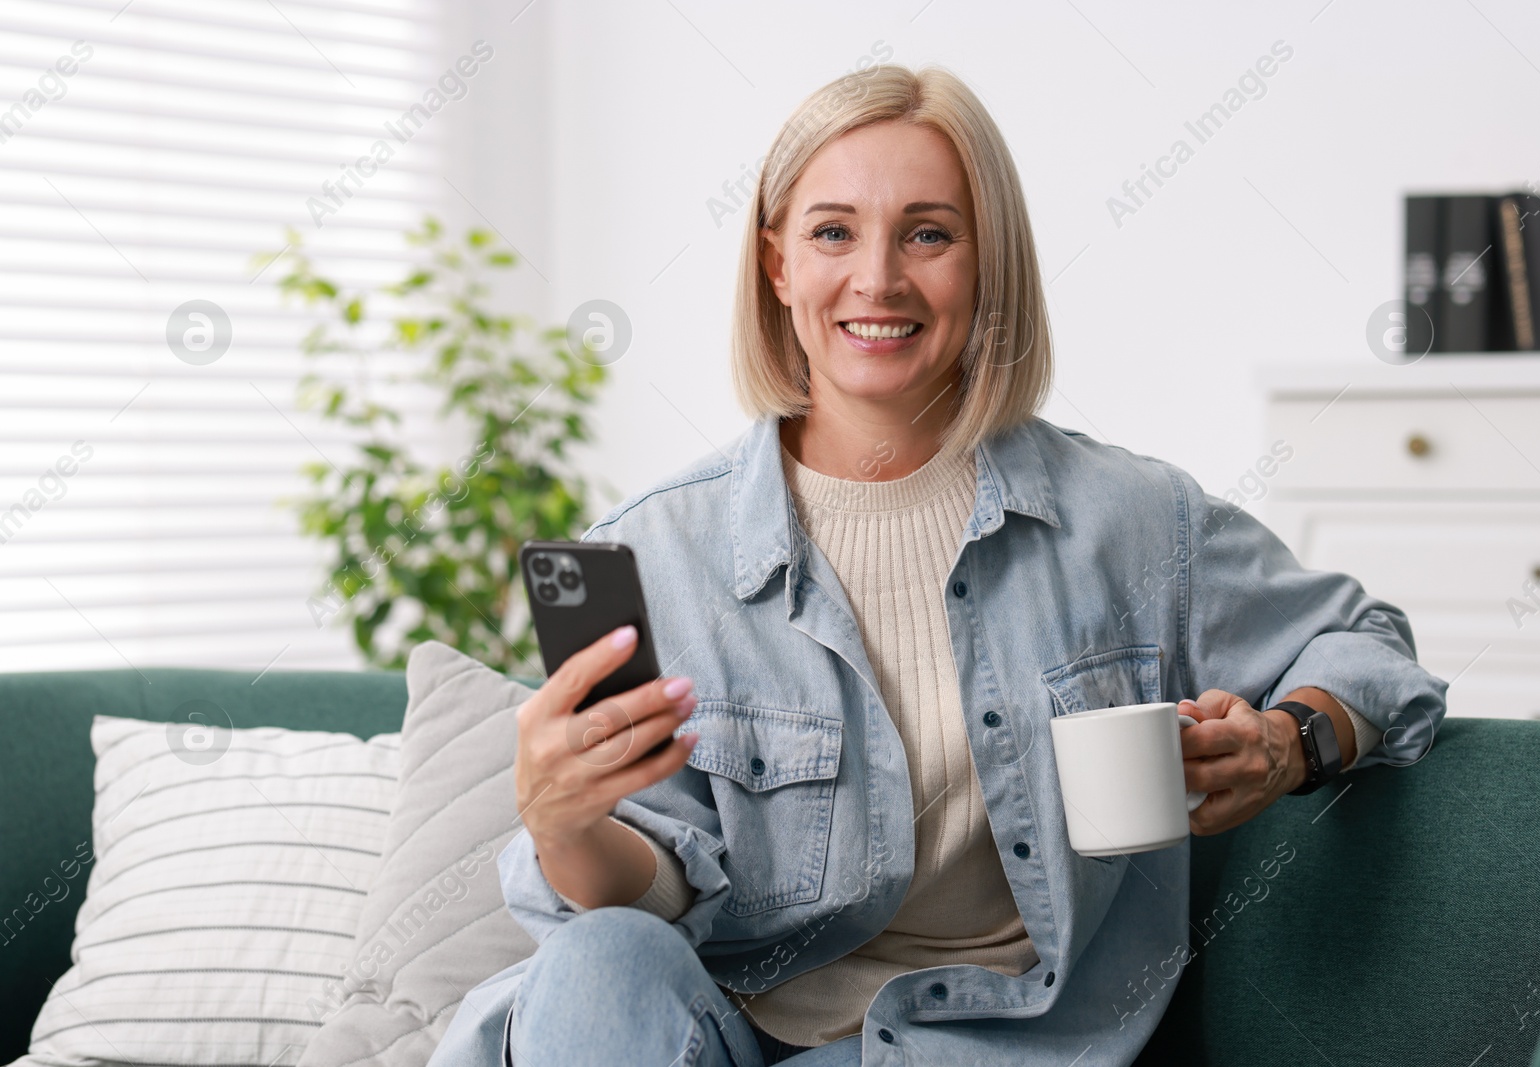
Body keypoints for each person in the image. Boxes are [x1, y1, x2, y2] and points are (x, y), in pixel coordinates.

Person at [429, 63, 1447, 1067]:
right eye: (833, 232)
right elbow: (656, 896)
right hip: (715, 1024)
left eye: (928, 233)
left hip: (972, 1039)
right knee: (597, 956)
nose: (877, 278)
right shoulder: (659, 548)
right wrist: (563, 825)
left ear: (986, 262)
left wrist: (1290, 737)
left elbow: (1367, 644)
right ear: (777, 266)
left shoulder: (1127, 523)